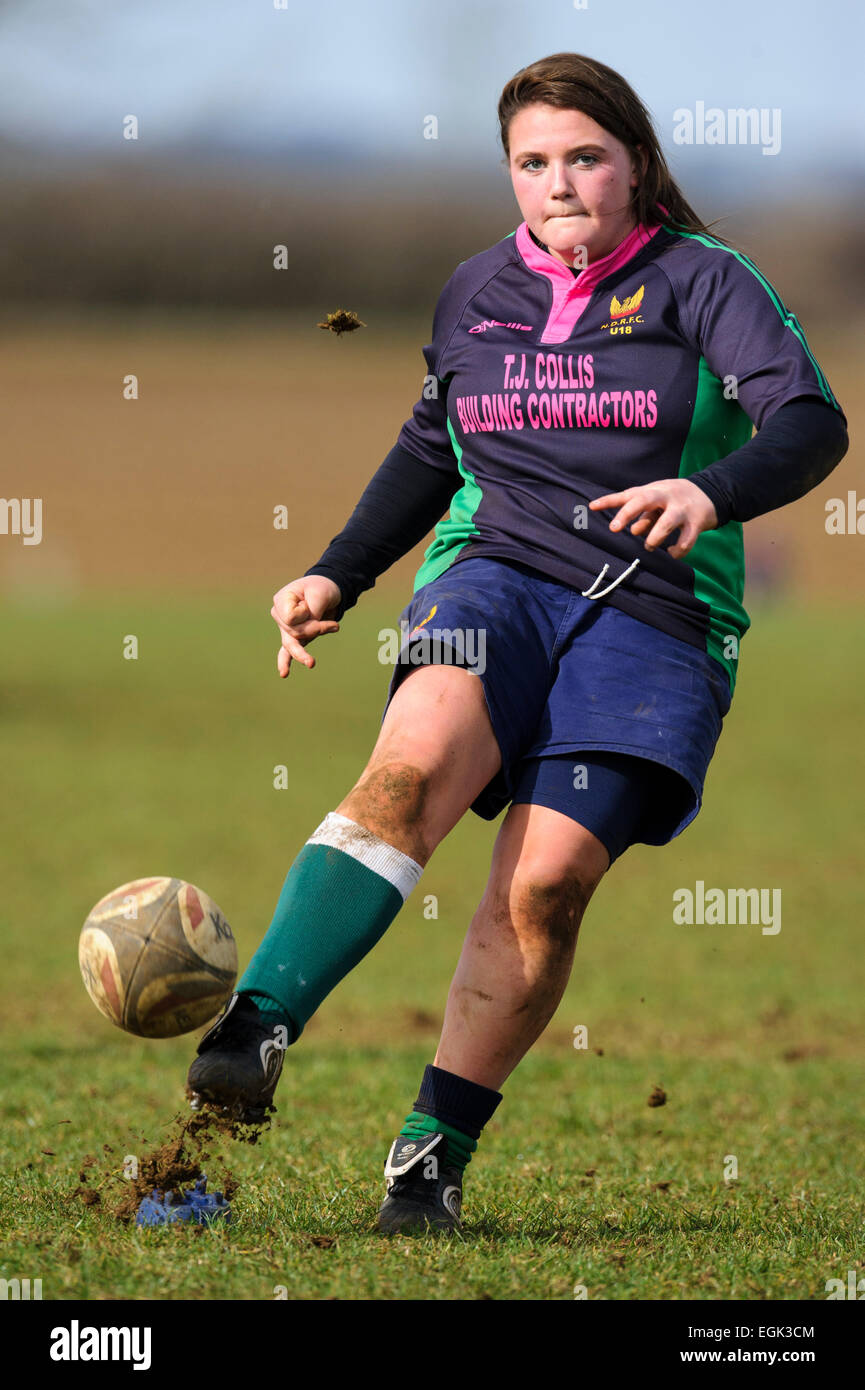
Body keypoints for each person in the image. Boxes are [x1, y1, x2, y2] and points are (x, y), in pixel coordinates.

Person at [187, 52, 848, 1234]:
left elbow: (809, 422)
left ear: (634, 164)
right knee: (412, 762)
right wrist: (336, 568)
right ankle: (255, 1028)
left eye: (584, 158)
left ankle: (428, 1162)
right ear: (509, 175)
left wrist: (713, 492)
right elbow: (430, 447)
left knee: (544, 887)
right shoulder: (474, 291)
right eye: (533, 163)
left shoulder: (706, 281)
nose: (559, 184)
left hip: (656, 613)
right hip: (492, 576)